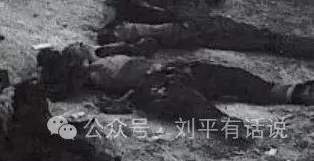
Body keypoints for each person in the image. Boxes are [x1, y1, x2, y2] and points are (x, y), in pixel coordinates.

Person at [36, 43, 314, 140]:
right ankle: (229, 125)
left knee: (230, 77)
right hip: (155, 85)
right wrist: (122, 102)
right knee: (188, 102)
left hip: (173, 70)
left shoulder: (101, 55)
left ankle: (291, 93)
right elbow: (131, 91)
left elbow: (141, 48)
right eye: (77, 55)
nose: (82, 49)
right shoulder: (95, 76)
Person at [96, 0, 314, 59]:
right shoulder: (126, 8)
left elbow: (193, 25)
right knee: (262, 39)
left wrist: (146, 31)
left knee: (264, 39)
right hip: (180, 18)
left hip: (192, 18)